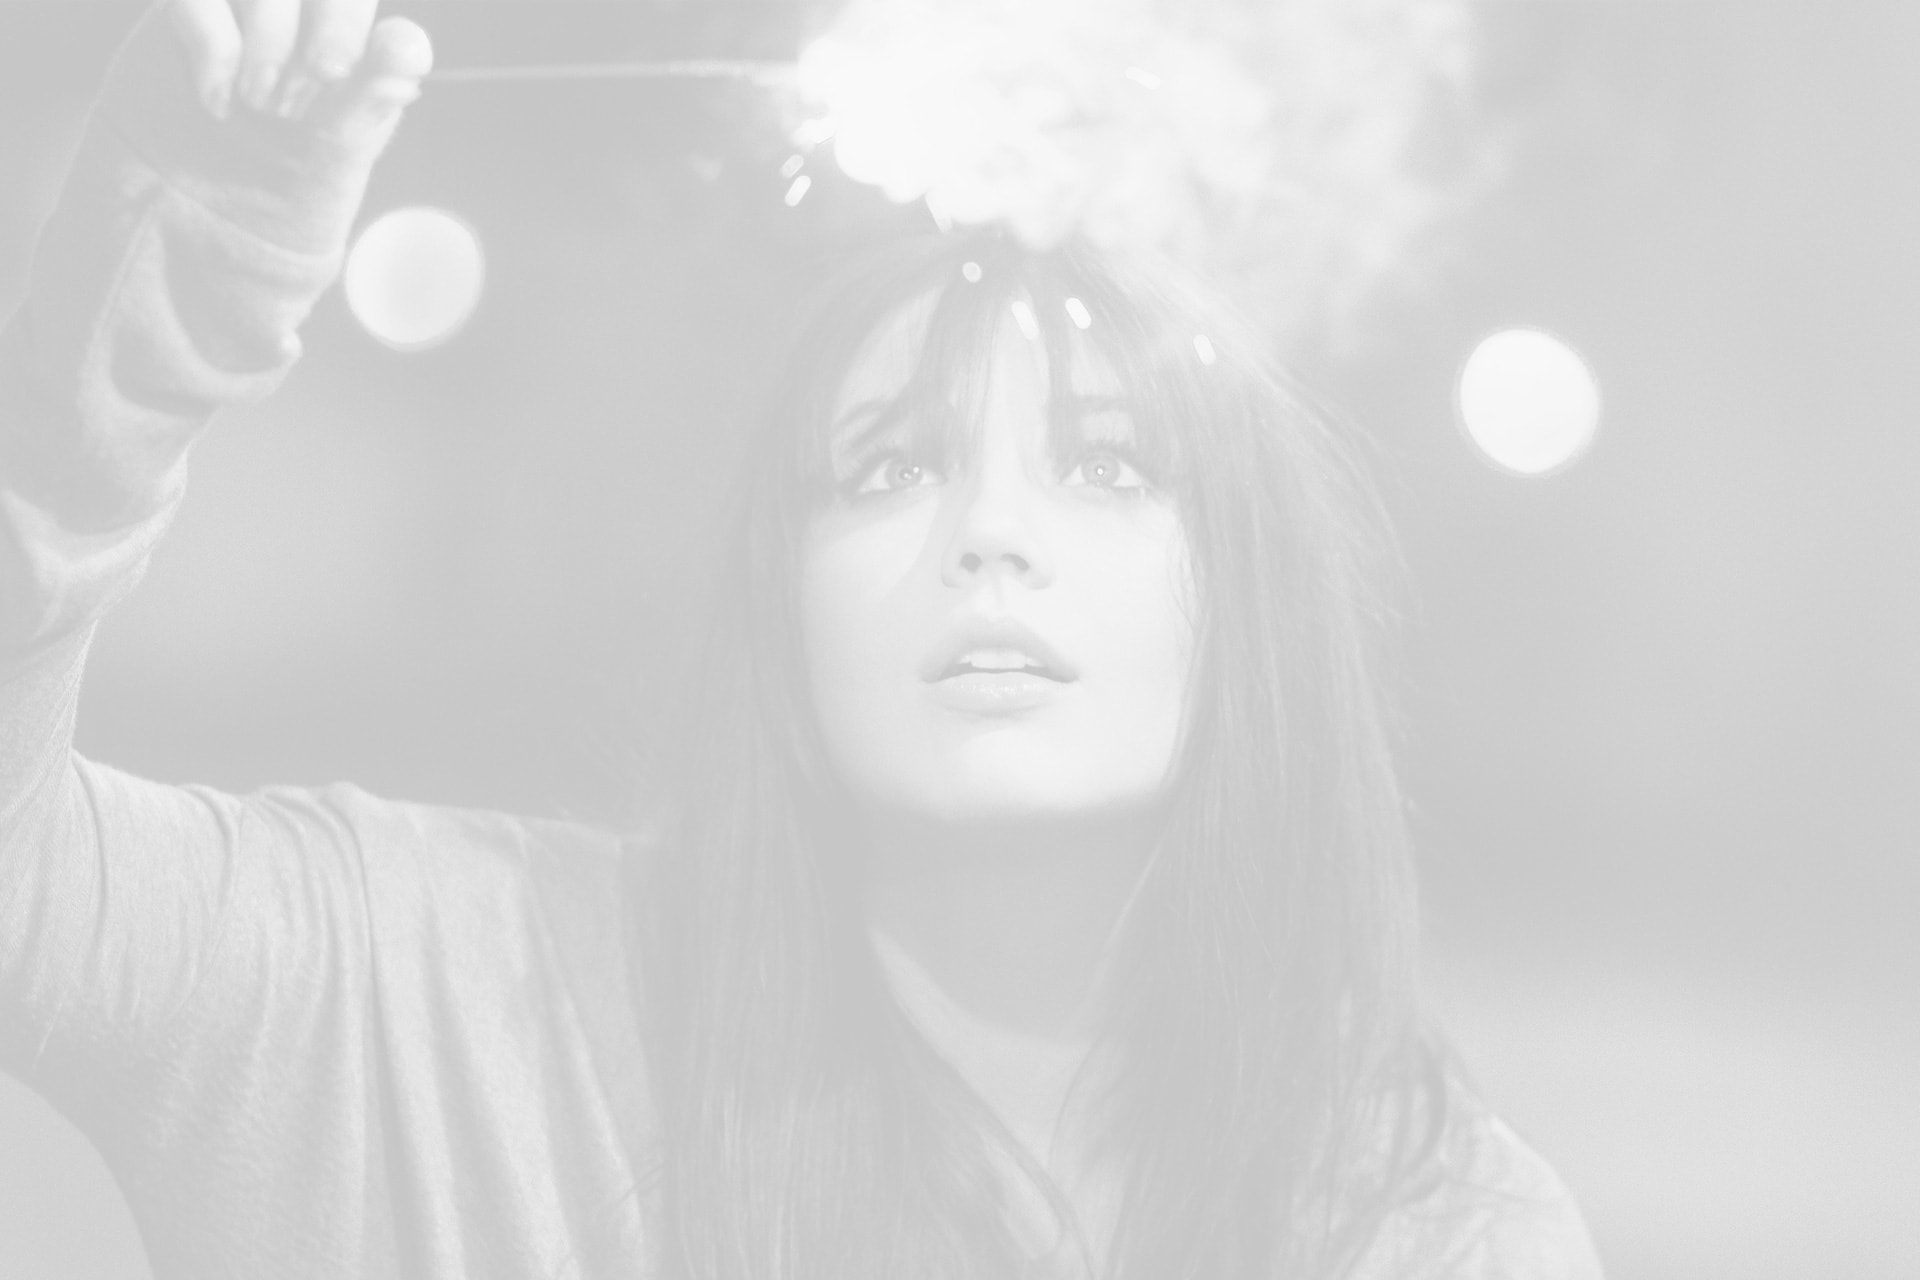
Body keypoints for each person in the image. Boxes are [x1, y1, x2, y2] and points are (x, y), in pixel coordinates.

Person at [0, 2, 1606, 1277]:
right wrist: (154, 305)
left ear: (1252, 606)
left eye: (1112, 466)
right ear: (779, 613)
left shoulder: (1429, 1236)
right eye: (889, 466)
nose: (990, 528)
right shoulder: (433, 1006)